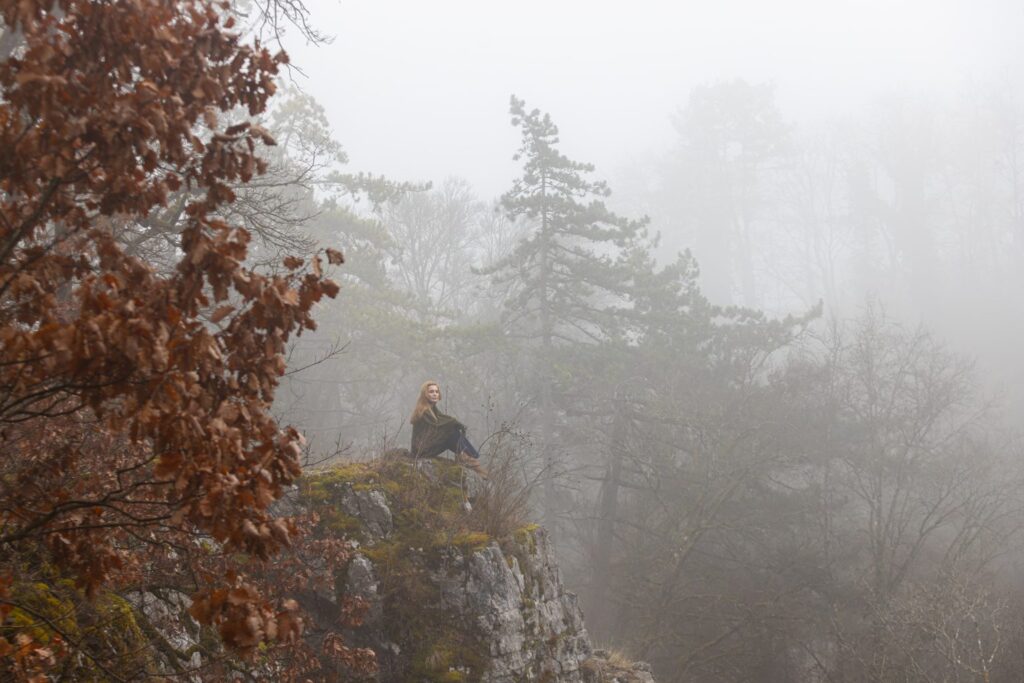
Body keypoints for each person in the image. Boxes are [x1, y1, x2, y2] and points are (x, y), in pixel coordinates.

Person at [410, 381, 487, 478]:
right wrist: (454, 422)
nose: (435, 394)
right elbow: (438, 425)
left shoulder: (433, 409)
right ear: (425, 394)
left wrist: (454, 423)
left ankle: (468, 459)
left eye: (436, 391)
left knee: (452, 432)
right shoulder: (424, 410)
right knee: (451, 434)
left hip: (426, 446)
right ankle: (472, 462)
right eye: (431, 392)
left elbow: (442, 419)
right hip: (421, 451)